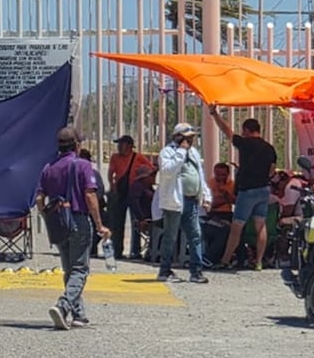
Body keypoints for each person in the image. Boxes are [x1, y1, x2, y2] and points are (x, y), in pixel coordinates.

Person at [37, 127, 110, 330]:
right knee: (80, 269)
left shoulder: (48, 168)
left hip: (58, 223)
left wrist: (47, 216)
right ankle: (63, 305)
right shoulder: (83, 165)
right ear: (77, 145)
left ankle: (79, 315)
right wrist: (99, 224)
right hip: (78, 219)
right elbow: (90, 195)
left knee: (69, 269)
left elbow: (39, 198)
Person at [210, 108, 277, 270]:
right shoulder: (270, 148)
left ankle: (225, 260)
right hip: (263, 190)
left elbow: (226, 130)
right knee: (260, 225)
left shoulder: (244, 143)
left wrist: (215, 115)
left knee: (237, 226)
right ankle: (259, 261)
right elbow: (272, 170)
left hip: (247, 191)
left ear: (246, 130)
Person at [156, 123, 212, 283]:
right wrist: (181, 151)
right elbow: (167, 171)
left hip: (191, 200)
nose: (191, 141)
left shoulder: (193, 152)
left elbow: (199, 175)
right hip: (175, 201)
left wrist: (206, 196)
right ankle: (164, 270)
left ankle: (196, 271)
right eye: (188, 138)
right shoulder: (168, 152)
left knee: (195, 235)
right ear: (178, 137)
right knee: (170, 236)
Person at [106, 135, 154, 260]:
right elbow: (111, 173)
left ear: (129, 145)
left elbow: (152, 169)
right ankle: (117, 250)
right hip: (120, 192)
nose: (118, 147)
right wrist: (112, 187)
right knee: (117, 223)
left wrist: (144, 183)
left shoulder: (138, 157)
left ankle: (135, 251)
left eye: (121, 144)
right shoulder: (115, 157)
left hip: (134, 192)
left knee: (136, 222)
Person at [78, 148, 107, 257]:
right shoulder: (77, 173)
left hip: (93, 207)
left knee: (102, 225)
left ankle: (92, 247)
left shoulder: (93, 173)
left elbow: (99, 190)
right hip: (83, 208)